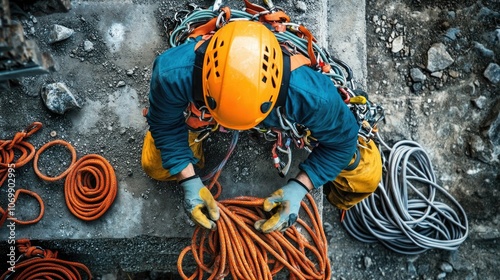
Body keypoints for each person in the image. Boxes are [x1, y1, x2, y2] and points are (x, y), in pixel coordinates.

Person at [142, 20, 382, 233]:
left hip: (279, 105)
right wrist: (189, 180)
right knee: (156, 165)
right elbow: (164, 124)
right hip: (205, 113)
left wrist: (301, 186)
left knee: (366, 178)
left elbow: (342, 143)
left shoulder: (313, 97)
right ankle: (195, 156)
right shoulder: (172, 74)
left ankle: (334, 199)